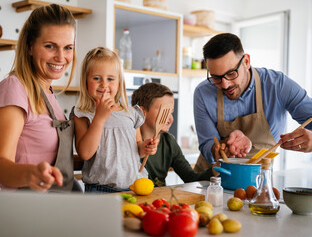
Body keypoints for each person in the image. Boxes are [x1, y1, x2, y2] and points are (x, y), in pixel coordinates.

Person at [0, 4, 82, 192]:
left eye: (68, 48)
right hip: (27, 209)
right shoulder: (13, 88)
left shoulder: (47, 92)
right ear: (30, 47)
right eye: (50, 46)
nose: (61, 57)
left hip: (56, 208)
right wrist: (31, 174)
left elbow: (50, 156)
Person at [193, 33, 312, 171]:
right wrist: (225, 146)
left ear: (246, 61)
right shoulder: (203, 93)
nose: (225, 85)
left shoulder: (278, 85)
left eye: (231, 74)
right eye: (216, 78)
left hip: (258, 181)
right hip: (212, 180)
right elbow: (207, 145)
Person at [72, 47, 158, 193]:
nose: (104, 85)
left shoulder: (130, 112)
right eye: (96, 78)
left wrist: (145, 147)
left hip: (133, 189)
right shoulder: (83, 114)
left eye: (110, 79)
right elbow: (85, 153)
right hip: (99, 190)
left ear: (119, 83)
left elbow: (137, 148)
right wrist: (99, 118)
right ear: (86, 81)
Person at [131, 83, 220, 187]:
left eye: (171, 112)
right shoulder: (129, 140)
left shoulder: (169, 142)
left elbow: (190, 178)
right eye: (164, 111)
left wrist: (216, 168)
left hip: (159, 200)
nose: (170, 118)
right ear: (142, 112)